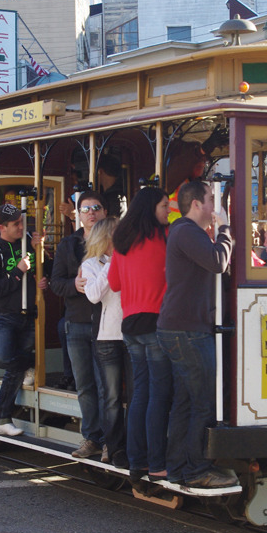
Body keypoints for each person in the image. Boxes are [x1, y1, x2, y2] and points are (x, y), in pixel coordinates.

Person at [158, 181, 236, 489]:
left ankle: (178, 466)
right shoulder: (187, 231)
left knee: (186, 402)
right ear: (196, 205)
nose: (215, 206)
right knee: (202, 401)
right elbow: (218, 262)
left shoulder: (186, 232)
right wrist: (227, 229)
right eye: (211, 199)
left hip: (181, 328)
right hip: (188, 330)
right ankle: (196, 469)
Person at [107, 187, 173, 483]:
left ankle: (137, 462)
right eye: (163, 205)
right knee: (159, 396)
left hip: (130, 325)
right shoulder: (165, 237)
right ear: (150, 208)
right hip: (156, 322)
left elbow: (115, 284)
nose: (168, 209)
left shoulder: (121, 240)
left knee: (140, 395)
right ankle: (157, 462)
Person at [0, 203, 48, 436]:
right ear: (2, 227)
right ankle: (29, 364)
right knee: (2, 359)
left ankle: (1, 419)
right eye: (16, 224)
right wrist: (19, 272)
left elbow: (43, 267)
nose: (22, 227)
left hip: (28, 316)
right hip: (4, 317)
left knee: (13, 370)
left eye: (22, 222)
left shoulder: (26, 242)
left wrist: (39, 255)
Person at [50, 191, 106, 459]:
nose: (91, 213)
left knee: (106, 384)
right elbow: (55, 283)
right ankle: (91, 438)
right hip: (76, 323)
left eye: (96, 208)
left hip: (106, 324)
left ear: (104, 212)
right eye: (85, 209)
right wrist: (74, 284)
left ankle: (110, 439)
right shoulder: (67, 245)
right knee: (85, 384)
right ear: (78, 214)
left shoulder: (112, 242)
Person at [81, 218, 128, 469]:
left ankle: (129, 444)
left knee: (132, 394)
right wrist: (113, 262)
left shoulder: (128, 257)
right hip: (106, 338)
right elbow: (93, 295)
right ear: (107, 237)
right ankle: (113, 446)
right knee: (111, 396)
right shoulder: (91, 264)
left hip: (131, 334)